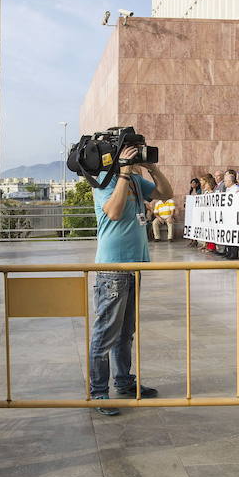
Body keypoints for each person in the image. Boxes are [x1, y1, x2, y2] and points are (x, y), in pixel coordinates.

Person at [87, 141, 173, 415]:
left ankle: (124, 382)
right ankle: (99, 392)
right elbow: (112, 211)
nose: (137, 155)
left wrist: (153, 169)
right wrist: (123, 172)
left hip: (135, 265)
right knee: (106, 333)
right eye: (133, 151)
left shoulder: (136, 180)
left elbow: (165, 194)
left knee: (125, 332)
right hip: (113, 268)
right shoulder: (104, 180)